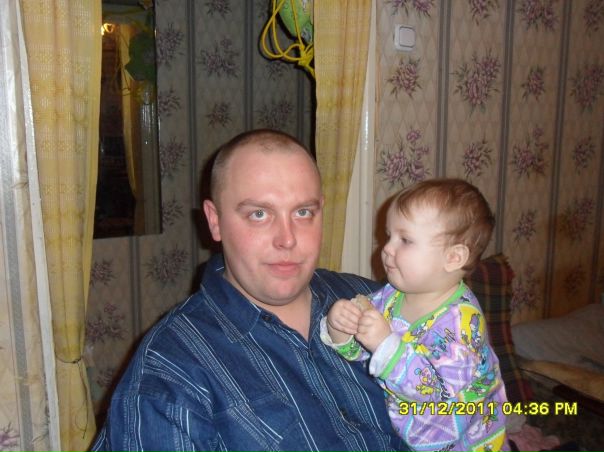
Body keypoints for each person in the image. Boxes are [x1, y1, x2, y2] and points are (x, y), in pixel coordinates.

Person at [91, 129, 408, 452]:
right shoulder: (169, 375)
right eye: (259, 214)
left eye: (303, 212)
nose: (287, 239)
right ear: (215, 221)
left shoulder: (383, 301)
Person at [321, 179, 509, 452]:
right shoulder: (391, 296)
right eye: (389, 236)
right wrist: (341, 327)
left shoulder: (462, 324)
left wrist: (386, 345)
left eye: (405, 240)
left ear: (453, 258)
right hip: (407, 430)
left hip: (466, 441)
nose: (387, 248)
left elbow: (437, 393)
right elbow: (361, 351)